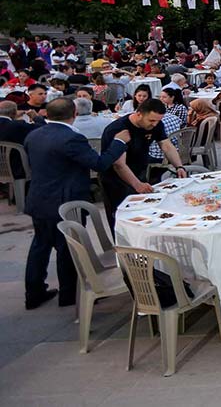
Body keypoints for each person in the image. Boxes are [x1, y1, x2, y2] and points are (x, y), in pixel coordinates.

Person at [23, 98, 130, 309]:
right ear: (73, 114)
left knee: (40, 245)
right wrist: (118, 143)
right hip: (65, 199)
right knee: (68, 247)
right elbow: (98, 163)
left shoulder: (33, 135)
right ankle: (69, 294)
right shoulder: (71, 138)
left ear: (47, 114)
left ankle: (34, 293)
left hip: (38, 197)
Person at [99, 99, 187, 227]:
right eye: (151, 120)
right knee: (122, 218)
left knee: (144, 214)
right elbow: (119, 164)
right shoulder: (119, 129)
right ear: (139, 114)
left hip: (139, 170)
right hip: (115, 179)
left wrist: (179, 166)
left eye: (158, 121)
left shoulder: (156, 124)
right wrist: (137, 184)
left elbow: (166, 145)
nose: (155, 124)